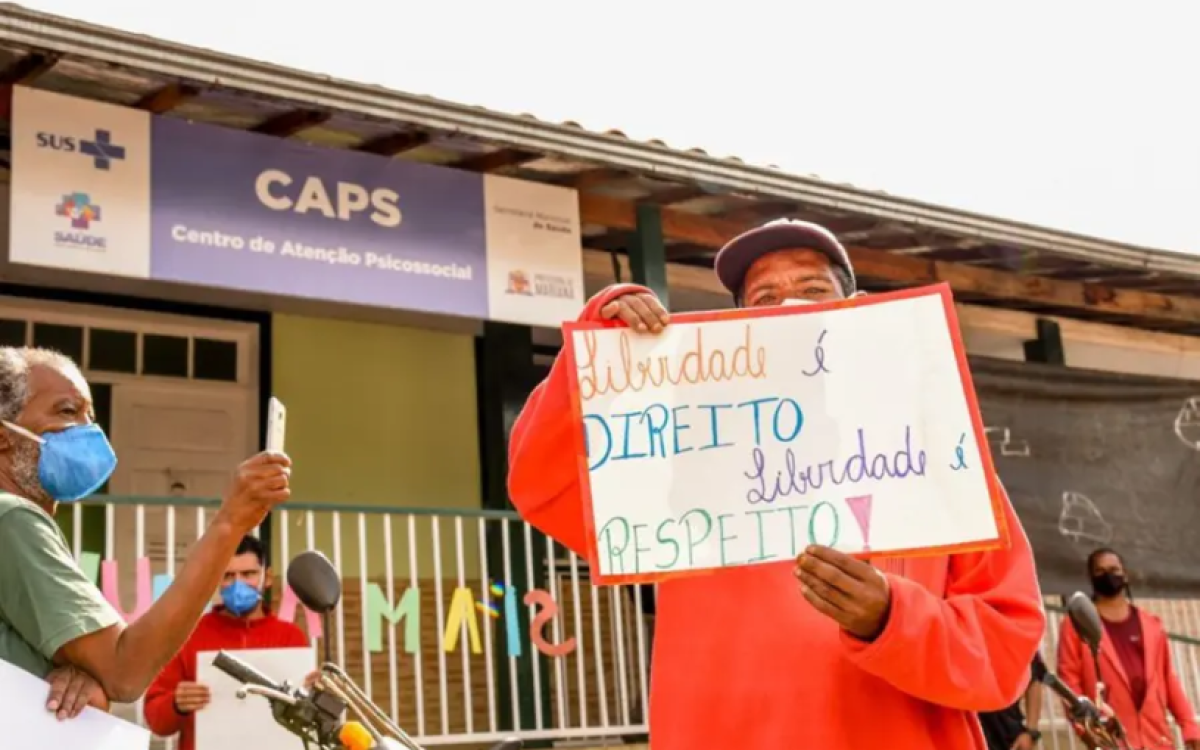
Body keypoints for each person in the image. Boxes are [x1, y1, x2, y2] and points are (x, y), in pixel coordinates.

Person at [507, 219, 1045, 749]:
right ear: (739, 329)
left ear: (856, 310)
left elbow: (1006, 652)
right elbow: (540, 482)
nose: (790, 309)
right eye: (765, 300)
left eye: (813, 290)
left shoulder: (937, 455)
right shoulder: (683, 446)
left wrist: (891, 619)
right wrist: (600, 354)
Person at [0, 347, 291, 716]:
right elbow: (125, 671)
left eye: (91, 416)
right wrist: (230, 522)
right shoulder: (12, 519)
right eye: (67, 412)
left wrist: (80, 673)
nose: (89, 432)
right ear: (3, 436)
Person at [143, 534, 309, 750]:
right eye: (228, 575)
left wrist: (311, 694)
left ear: (267, 578)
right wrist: (176, 703)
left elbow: (306, 719)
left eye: (248, 574)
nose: (237, 584)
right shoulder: (189, 634)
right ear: (217, 579)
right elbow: (156, 719)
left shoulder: (291, 637)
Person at [1057, 547, 1200, 750]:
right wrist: (1086, 729)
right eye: (1100, 571)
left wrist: (1189, 725)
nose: (1108, 575)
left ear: (1125, 574)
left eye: (1114, 569)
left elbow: (1168, 678)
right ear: (1091, 577)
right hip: (1111, 739)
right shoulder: (1076, 626)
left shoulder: (1152, 625)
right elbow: (1069, 681)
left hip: (1156, 739)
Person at [978, 653, 1047, 750]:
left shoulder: (1017, 638)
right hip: (966, 731)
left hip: (1009, 735)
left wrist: (1031, 732)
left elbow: (1034, 677)